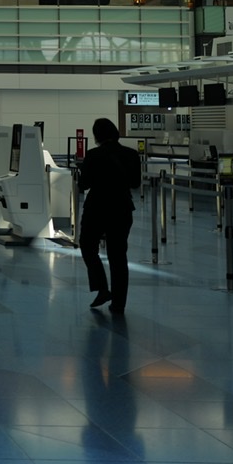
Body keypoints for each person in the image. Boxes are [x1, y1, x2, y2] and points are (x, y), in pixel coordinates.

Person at [78, 116, 142, 315]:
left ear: (97, 135)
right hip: (122, 209)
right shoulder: (131, 154)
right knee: (118, 256)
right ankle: (119, 304)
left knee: (88, 246)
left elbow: (84, 184)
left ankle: (102, 287)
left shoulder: (93, 155)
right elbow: (135, 183)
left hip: (96, 208)